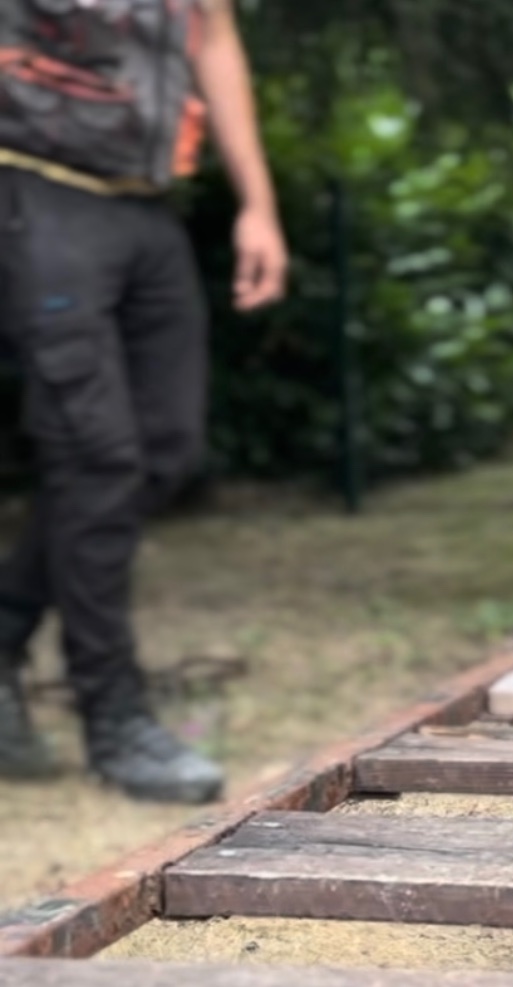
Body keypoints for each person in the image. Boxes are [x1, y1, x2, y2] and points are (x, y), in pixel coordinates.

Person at [0, 0, 287, 803]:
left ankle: (4, 627)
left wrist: (257, 205)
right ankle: (115, 718)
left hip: (145, 206)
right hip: (35, 195)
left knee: (164, 452)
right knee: (96, 458)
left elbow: (216, 36)